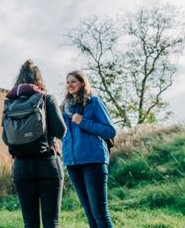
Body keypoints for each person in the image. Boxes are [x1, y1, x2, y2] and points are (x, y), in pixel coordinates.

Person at [7, 60, 66, 228]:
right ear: (39, 79)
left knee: (30, 224)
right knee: (52, 223)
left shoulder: (10, 103)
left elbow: (6, 138)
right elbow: (61, 132)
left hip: (21, 166)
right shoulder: (47, 99)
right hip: (48, 162)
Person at [61, 70, 117, 228]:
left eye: (73, 81)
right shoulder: (64, 108)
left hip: (93, 162)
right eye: (67, 82)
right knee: (89, 213)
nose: (70, 85)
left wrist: (83, 121)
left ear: (82, 83)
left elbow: (110, 131)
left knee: (99, 213)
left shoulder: (94, 102)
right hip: (72, 163)